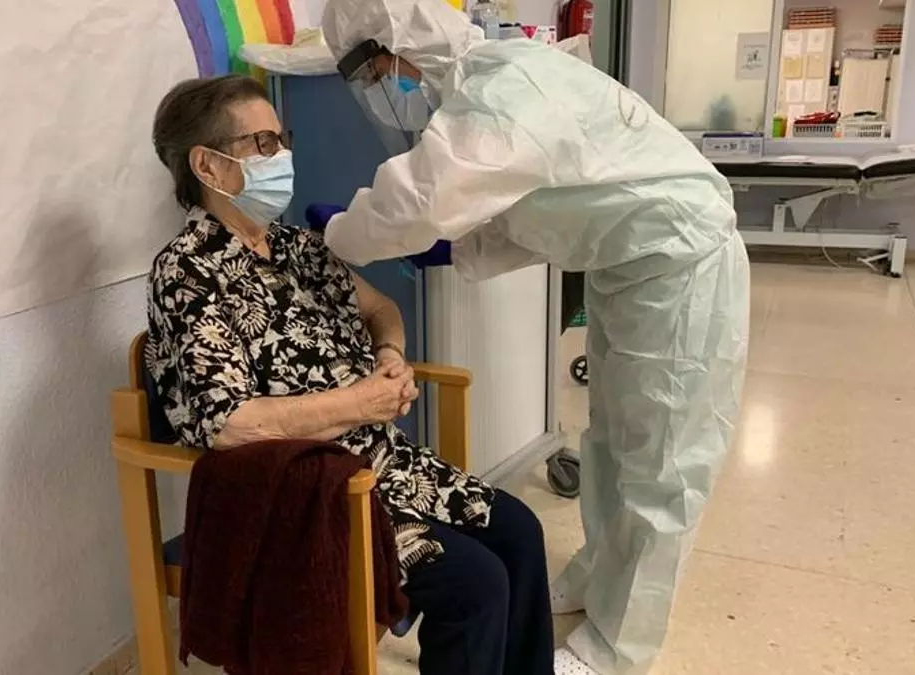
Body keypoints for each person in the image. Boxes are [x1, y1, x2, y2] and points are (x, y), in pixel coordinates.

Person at [310, 1, 751, 674]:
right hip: (628, 267)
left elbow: (421, 200)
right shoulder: (481, 89)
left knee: (664, 466)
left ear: (401, 45)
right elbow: (535, 211)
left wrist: (342, 232)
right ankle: (598, 575)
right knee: (613, 441)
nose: (380, 90)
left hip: (681, 269)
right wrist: (454, 251)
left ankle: (616, 650)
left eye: (374, 73)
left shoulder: (502, 93)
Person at [147, 74, 556, 675]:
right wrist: (361, 402)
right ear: (207, 164)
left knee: (519, 531)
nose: (282, 156)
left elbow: (380, 309)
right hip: (308, 496)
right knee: (475, 584)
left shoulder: (297, 248)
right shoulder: (188, 272)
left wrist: (390, 355)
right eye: (263, 144)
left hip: (384, 463)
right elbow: (229, 422)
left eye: (281, 140)